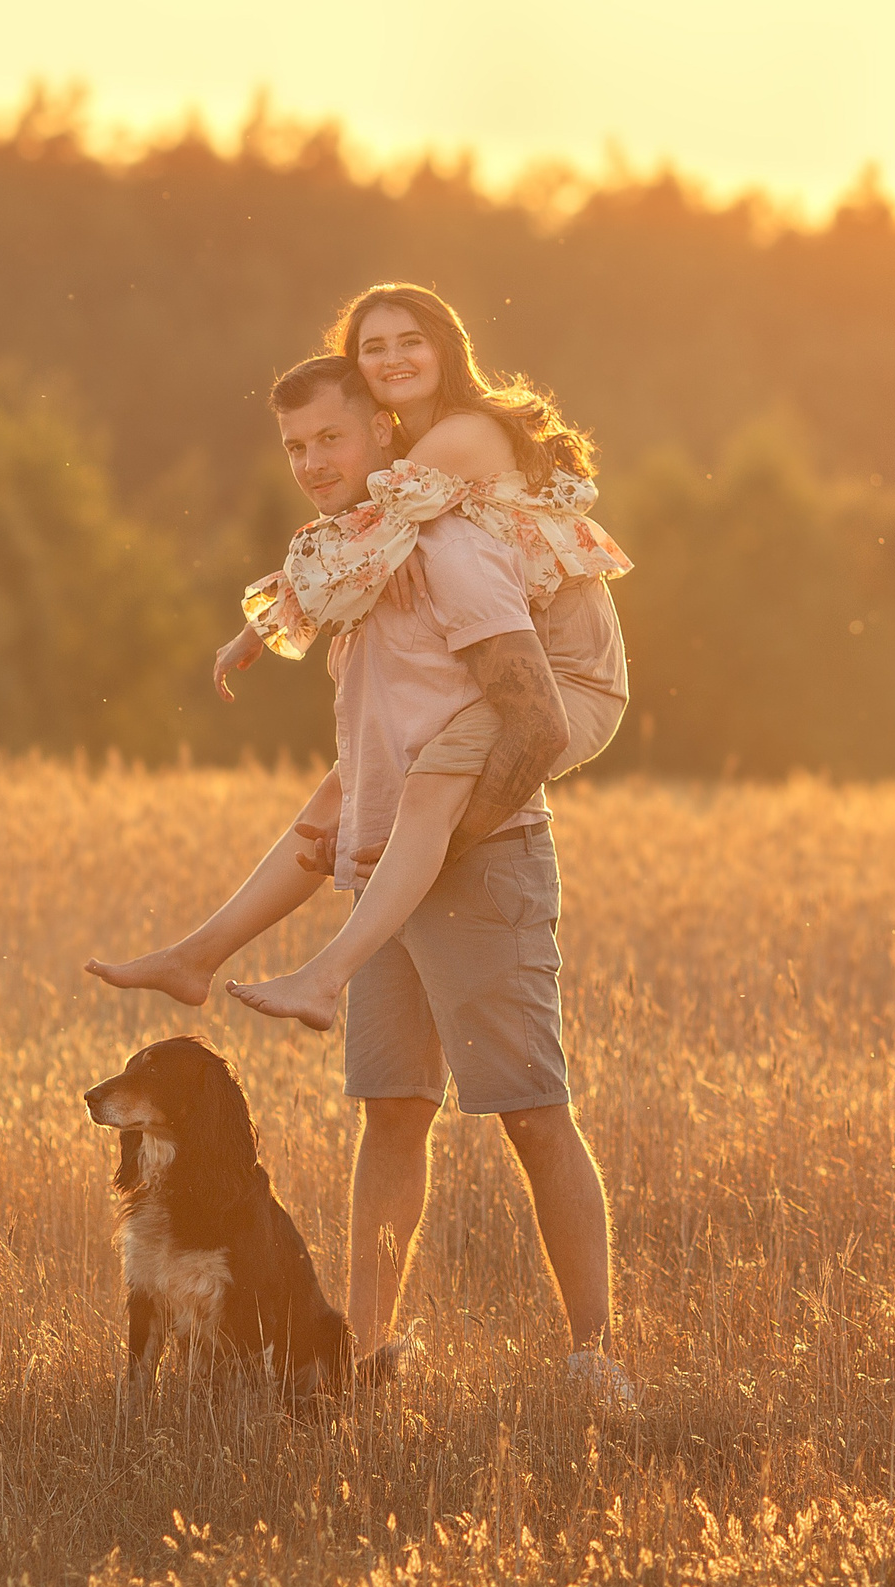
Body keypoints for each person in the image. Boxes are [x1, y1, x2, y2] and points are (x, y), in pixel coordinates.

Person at [84, 354, 634, 1404]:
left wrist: (452, 836)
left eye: (332, 439)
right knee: (390, 1111)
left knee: (530, 1114)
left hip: (481, 858)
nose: (311, 463)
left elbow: (537, 720)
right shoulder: (360, 564)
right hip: (389, 873)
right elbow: (374, 748)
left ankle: (592, 1359)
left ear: (388, 439)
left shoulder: (457, 552)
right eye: (294, 448)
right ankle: (366, 1357)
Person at [216, 284, 632, 1032]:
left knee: (430, 782)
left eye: (409, 340)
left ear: (445, 346)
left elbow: (363, 530)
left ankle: (325, 976)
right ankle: (197, 955)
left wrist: (259, 627)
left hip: (569, 678)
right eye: (372, 347)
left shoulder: (463, 434)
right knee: (340, 795)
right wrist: (391, 545)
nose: (393, 358)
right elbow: (372, 536)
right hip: (506, 673)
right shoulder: (408, 460)